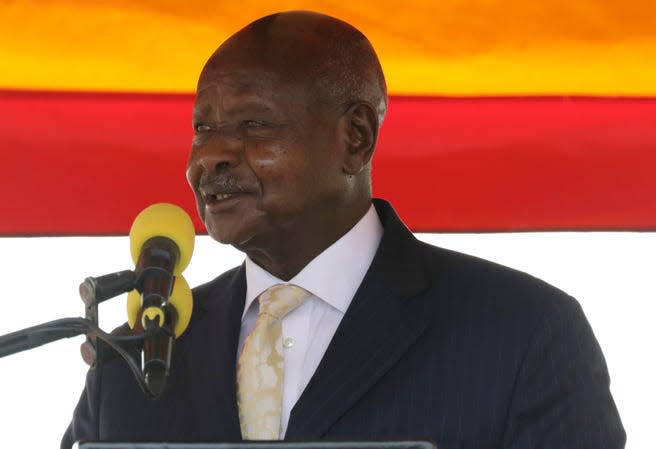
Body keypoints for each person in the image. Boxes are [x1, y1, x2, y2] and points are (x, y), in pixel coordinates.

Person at [63, 11, 625, 448]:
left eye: (252, 125)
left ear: (355, 138)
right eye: (201, 129)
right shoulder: (135, 358)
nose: (209, 157)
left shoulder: (521, 332)